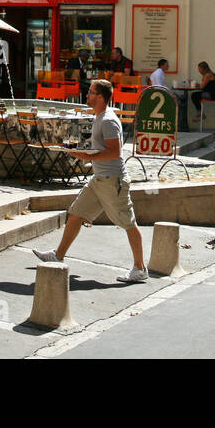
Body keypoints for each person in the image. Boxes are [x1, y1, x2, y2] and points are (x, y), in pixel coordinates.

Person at [33, 79, 147, 283]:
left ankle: (140, 268)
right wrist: (82, 151)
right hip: (99, 180)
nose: (87, 95)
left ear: (101, 97)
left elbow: (115, 152)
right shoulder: (100, 117)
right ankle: (58, 255)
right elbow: (102, 146)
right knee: (76, 213)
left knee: (128, 223)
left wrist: (88, 157)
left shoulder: (108, 120)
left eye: (91, 92)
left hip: (113, 181)